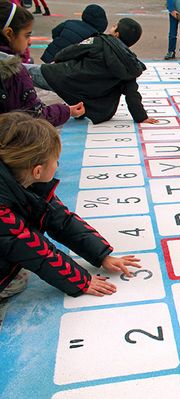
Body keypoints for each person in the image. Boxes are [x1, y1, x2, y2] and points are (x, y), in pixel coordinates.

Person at [0, 112, 143, 306]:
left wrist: (101, 255)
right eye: (56, 160)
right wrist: (82, 281)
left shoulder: (26, 180)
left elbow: (62, 220)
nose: (58, 164)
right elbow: (34, 251)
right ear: (37, 170)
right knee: (16, 278)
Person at [26, 18, 159, 125]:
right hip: (86, 97)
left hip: (62, 77)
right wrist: (141, 117)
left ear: (116, 34)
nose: (112, 27)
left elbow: (71, 51)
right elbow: (132, 94)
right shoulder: (130, 65)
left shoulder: (100, 41)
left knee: (18, 70)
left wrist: (58, 59)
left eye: (114, 26)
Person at [0, 2, 84, 126]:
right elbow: (36, 115)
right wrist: (66, 110)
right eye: (27, 35)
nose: (29, 42)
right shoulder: (16, 73)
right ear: (9, 33)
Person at [41, 4, 107, 63]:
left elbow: (55, 32)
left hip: (51, 55)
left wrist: (60, 41)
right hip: (67, 65)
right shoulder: (95, 36)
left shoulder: (70, 22)